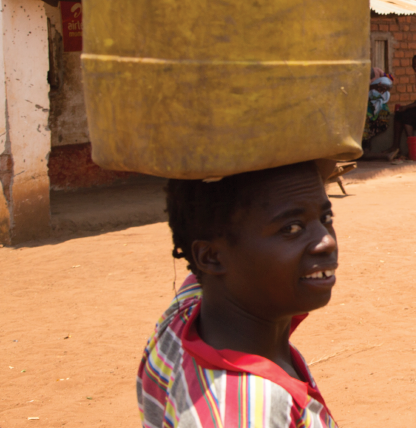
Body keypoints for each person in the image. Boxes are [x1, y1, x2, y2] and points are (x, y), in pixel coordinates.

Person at [137, 162, 339, 427]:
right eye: (291, 228)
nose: (327, 241)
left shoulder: (183, 315)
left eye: (325, 219)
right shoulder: (248, 410)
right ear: (211, 257)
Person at [396, 54, 416, 136]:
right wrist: (408, 106)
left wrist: (408, 107)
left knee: (407, 117)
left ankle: (411, 142)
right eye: (413, 63)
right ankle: (395, 146)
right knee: (398, 114)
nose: (415, 65)